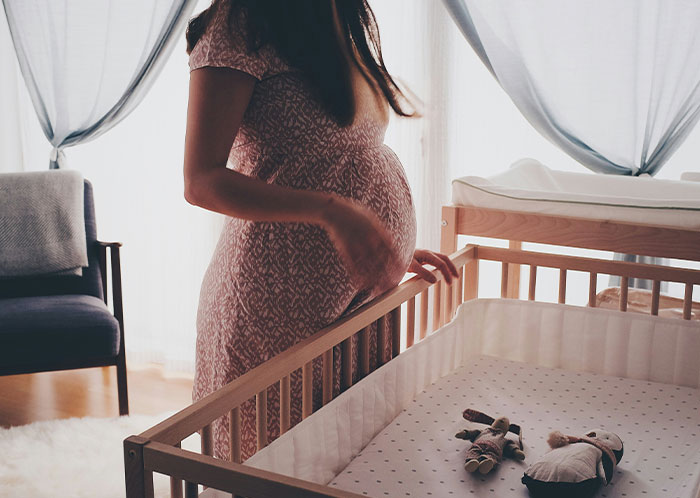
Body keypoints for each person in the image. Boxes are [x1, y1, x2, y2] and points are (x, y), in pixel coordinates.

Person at [184, 0, 458, 460]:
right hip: (275, 313)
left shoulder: (339, 16)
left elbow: (330, 161)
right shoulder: (243, 21)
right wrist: (335, 212)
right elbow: (201, 181)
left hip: (351, 309)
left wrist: (380, 245)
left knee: (340, 460)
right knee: (278, 470)